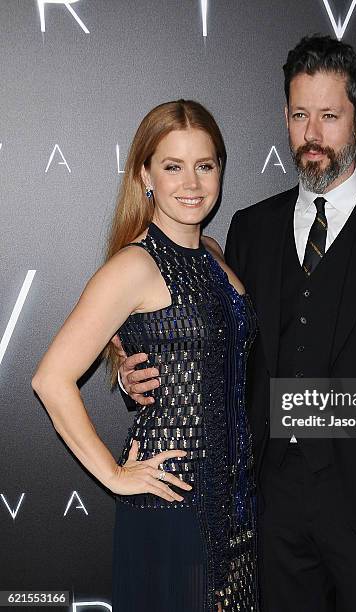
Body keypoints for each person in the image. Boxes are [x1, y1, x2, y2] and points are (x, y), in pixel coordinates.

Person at [119, 37, 356, 611]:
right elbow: (218, 345)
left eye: (330, 116)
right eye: (300, 114)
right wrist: (138, 373)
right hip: (269, 502)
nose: (312, 134)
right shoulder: (250, 229)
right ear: (285, 117)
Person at [32, 100, 259, 612]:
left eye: (205, 165)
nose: (192, 183)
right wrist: (115, 475)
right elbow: (51, 379)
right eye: (173, 166)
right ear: (145, 175)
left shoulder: (215, 253)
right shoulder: (135, 265)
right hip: (173, 503)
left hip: (236, 502)